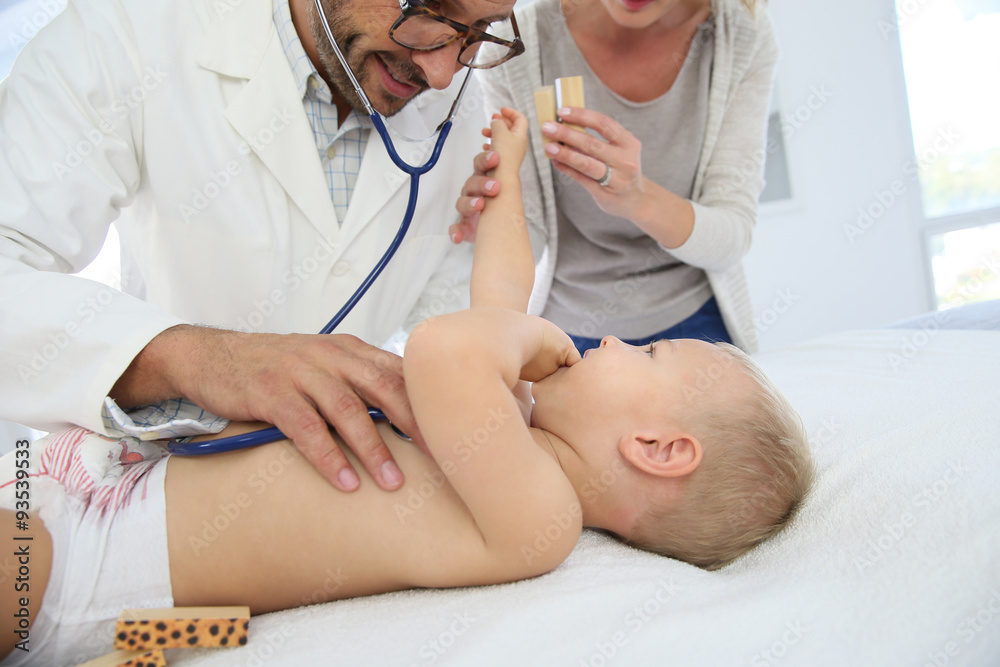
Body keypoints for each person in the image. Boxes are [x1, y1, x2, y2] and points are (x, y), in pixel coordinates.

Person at [0, 107, 813, 665]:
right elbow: (502, 290)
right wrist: (505, 175)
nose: (608, 340)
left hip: (88, 558)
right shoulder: (517, 432)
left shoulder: (542, 519)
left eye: (647, 355)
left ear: (658, 448)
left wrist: (532, 333)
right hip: (98, 456)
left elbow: (447, 347)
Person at [0, 0, 523, 492]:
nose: (441, 74)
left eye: (480, 32)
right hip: (162, 486)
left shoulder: (455, 106)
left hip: (336, 496)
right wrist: (200, 360)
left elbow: (448, 326)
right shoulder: (132, 30)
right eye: (429, 10)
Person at [452, 0, 778, 355]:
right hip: (567, 330)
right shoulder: (511, 40)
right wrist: (499, 227)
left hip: (695, 323)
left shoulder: (740, 36)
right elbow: (529, 226)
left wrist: (640, 199)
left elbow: (733, 237)